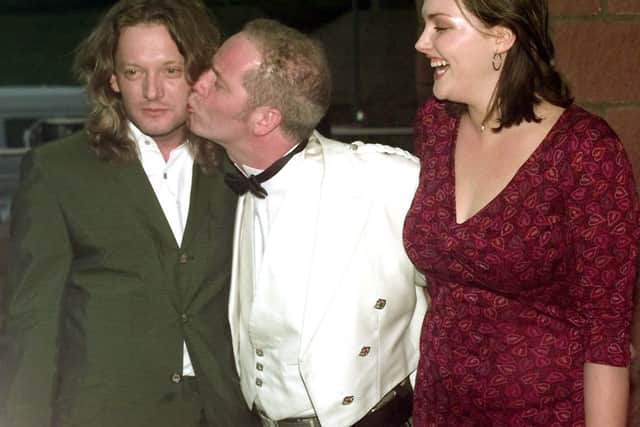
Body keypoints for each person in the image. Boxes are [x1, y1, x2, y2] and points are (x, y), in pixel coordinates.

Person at [0, 1, 252, 426]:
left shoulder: (240, 164)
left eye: (171, 71)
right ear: (112, 78)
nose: (152, 91)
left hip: (222, 411)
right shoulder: (57, 171)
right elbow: (32, 322)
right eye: (134, 72)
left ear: (200, 74)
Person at [405, 0, 640, 425]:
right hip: (439, 409)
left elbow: (606, 335)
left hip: (546, 414)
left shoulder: (585, 151)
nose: (422, 42)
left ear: (502, 36)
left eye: (440, 26)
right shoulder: (436, 126)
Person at [187, 18, 427, 427]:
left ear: (264, 120)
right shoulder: (219, 183)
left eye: (218, 82)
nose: (198, 84)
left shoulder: (385, 183)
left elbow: (467, 307)